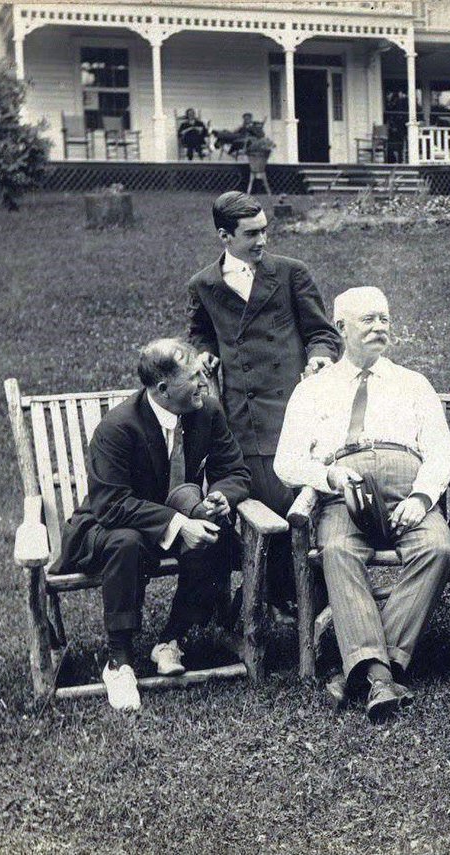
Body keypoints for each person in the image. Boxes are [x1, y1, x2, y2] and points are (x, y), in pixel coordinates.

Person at [275, 287, 450, 721]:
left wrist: (422, 497)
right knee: (337, 550)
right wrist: (328, 476)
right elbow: (287, 461)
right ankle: (382, 673)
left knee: (435, 548)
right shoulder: (313, 390)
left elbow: (441, 453)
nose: (379, 328)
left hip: (407, 485)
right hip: (344, 491)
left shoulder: (414, 383)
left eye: (385, 320)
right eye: (368, 320)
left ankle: (367, 671)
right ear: (340, 328)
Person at [52, 339, 251, 712]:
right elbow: (111, 504)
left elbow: (236, 471)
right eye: (193, 378)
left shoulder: (206, 412)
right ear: (163, 389)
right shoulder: (118, 427)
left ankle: (172, 639)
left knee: (212, 531)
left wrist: (224, 494)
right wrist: (177, 523)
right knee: (126, 542)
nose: (204, 385)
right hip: (107, 525)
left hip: (163, 519)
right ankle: (120, 662)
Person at [187, 191, 341, 617]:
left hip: (290, 411)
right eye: (251, 234)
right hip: (242, 417)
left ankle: (299, 597)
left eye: (264, 231)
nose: (261, 241)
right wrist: (203, 351)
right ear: (225, 236)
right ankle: (275, 598)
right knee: (256, 505)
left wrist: (319, 356)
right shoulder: (204, 285)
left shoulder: (291, 274)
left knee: (290, 505)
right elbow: (200, 331)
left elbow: (323, 332)